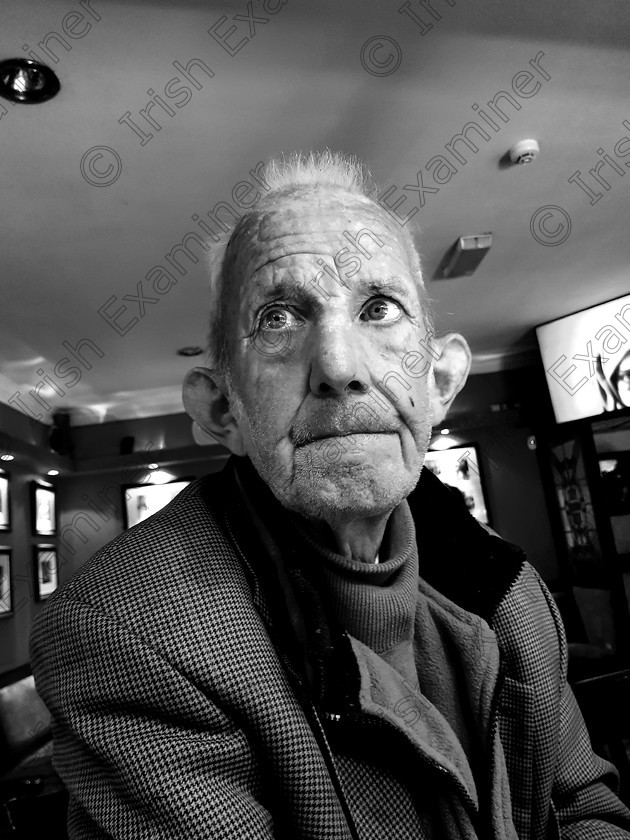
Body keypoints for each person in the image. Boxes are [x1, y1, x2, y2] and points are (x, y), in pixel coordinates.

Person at [31, 152, 630, 839]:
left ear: (438, 382)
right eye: (280, 317)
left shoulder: (509, 589)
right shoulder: (126, 634)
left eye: (379, 308)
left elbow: (584, 807)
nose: (340, 368)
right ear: (222, 409)